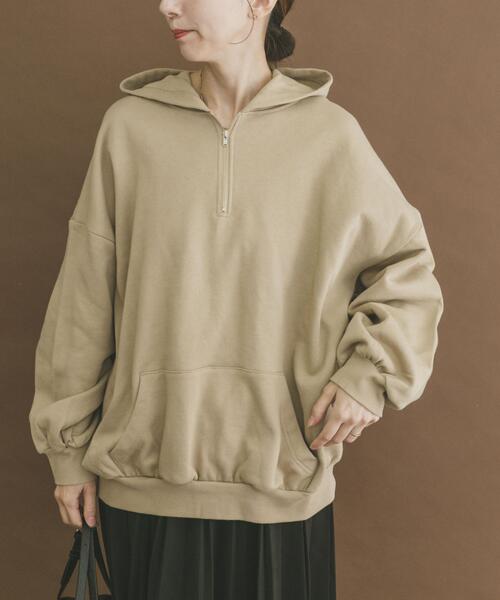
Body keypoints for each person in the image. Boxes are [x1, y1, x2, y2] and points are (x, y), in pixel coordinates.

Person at [28, 0, 444, 598]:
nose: (167, 5)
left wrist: (367, 376)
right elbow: (83, 300)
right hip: (145, 485)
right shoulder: (129, 129)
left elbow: (407, 267)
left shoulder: (330, 136)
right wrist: (66, 451)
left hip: (281, 486)